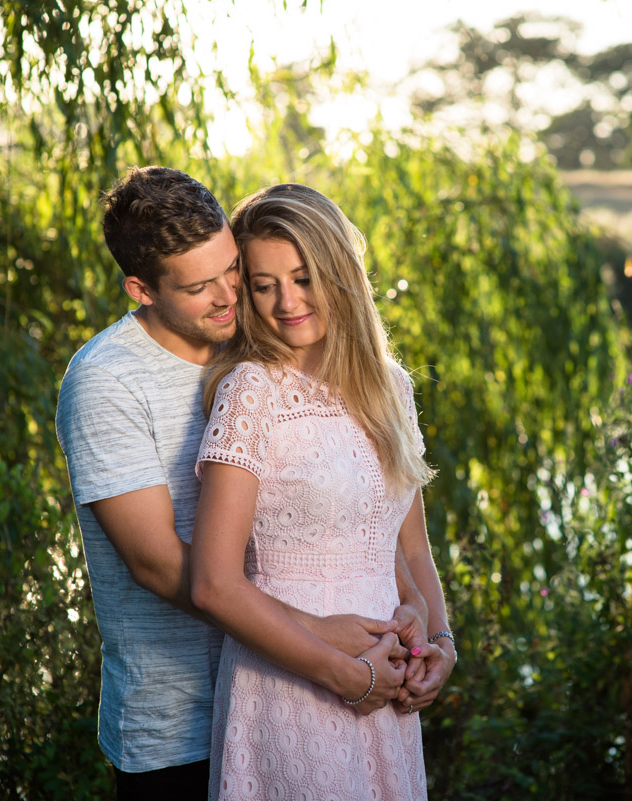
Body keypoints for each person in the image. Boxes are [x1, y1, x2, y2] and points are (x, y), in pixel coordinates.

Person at [56, 167, 432, 800]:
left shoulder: (262, 350)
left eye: (233, 270)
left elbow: (359, 512)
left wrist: (425, 628)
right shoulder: (107, 380)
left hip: (319, 689)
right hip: (179, 722)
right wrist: (319, 634)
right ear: (142, 290)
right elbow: (155, 564)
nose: (230, 296)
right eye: (201, 286)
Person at [191, 183, 456, 801]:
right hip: (289, 685)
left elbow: (412, 549)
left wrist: (439, 643)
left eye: (304, 277)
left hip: (387, 691)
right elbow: (213, 584)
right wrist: (342, 673)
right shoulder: (251, 392)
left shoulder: (391, 389)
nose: (287, 301)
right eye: (264, 283)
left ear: (340, 273)